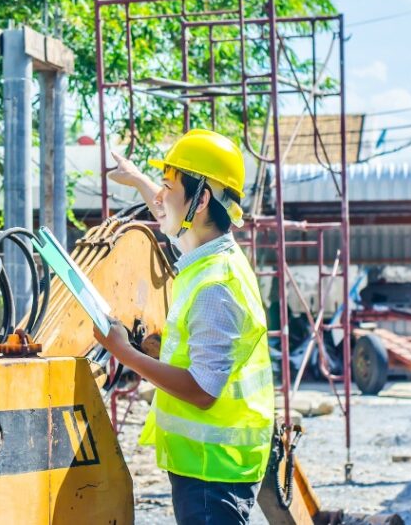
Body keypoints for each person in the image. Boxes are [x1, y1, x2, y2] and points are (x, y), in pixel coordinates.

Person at [99, 129, 273, 525]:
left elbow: (202, 391)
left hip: (214, 473)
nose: (159, 199)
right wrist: (140, 180)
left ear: (202, 200)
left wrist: (123, 352)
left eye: (167, 186)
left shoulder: (215, 286)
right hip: (207, 465)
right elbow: (170, 220)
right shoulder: (208, 255)